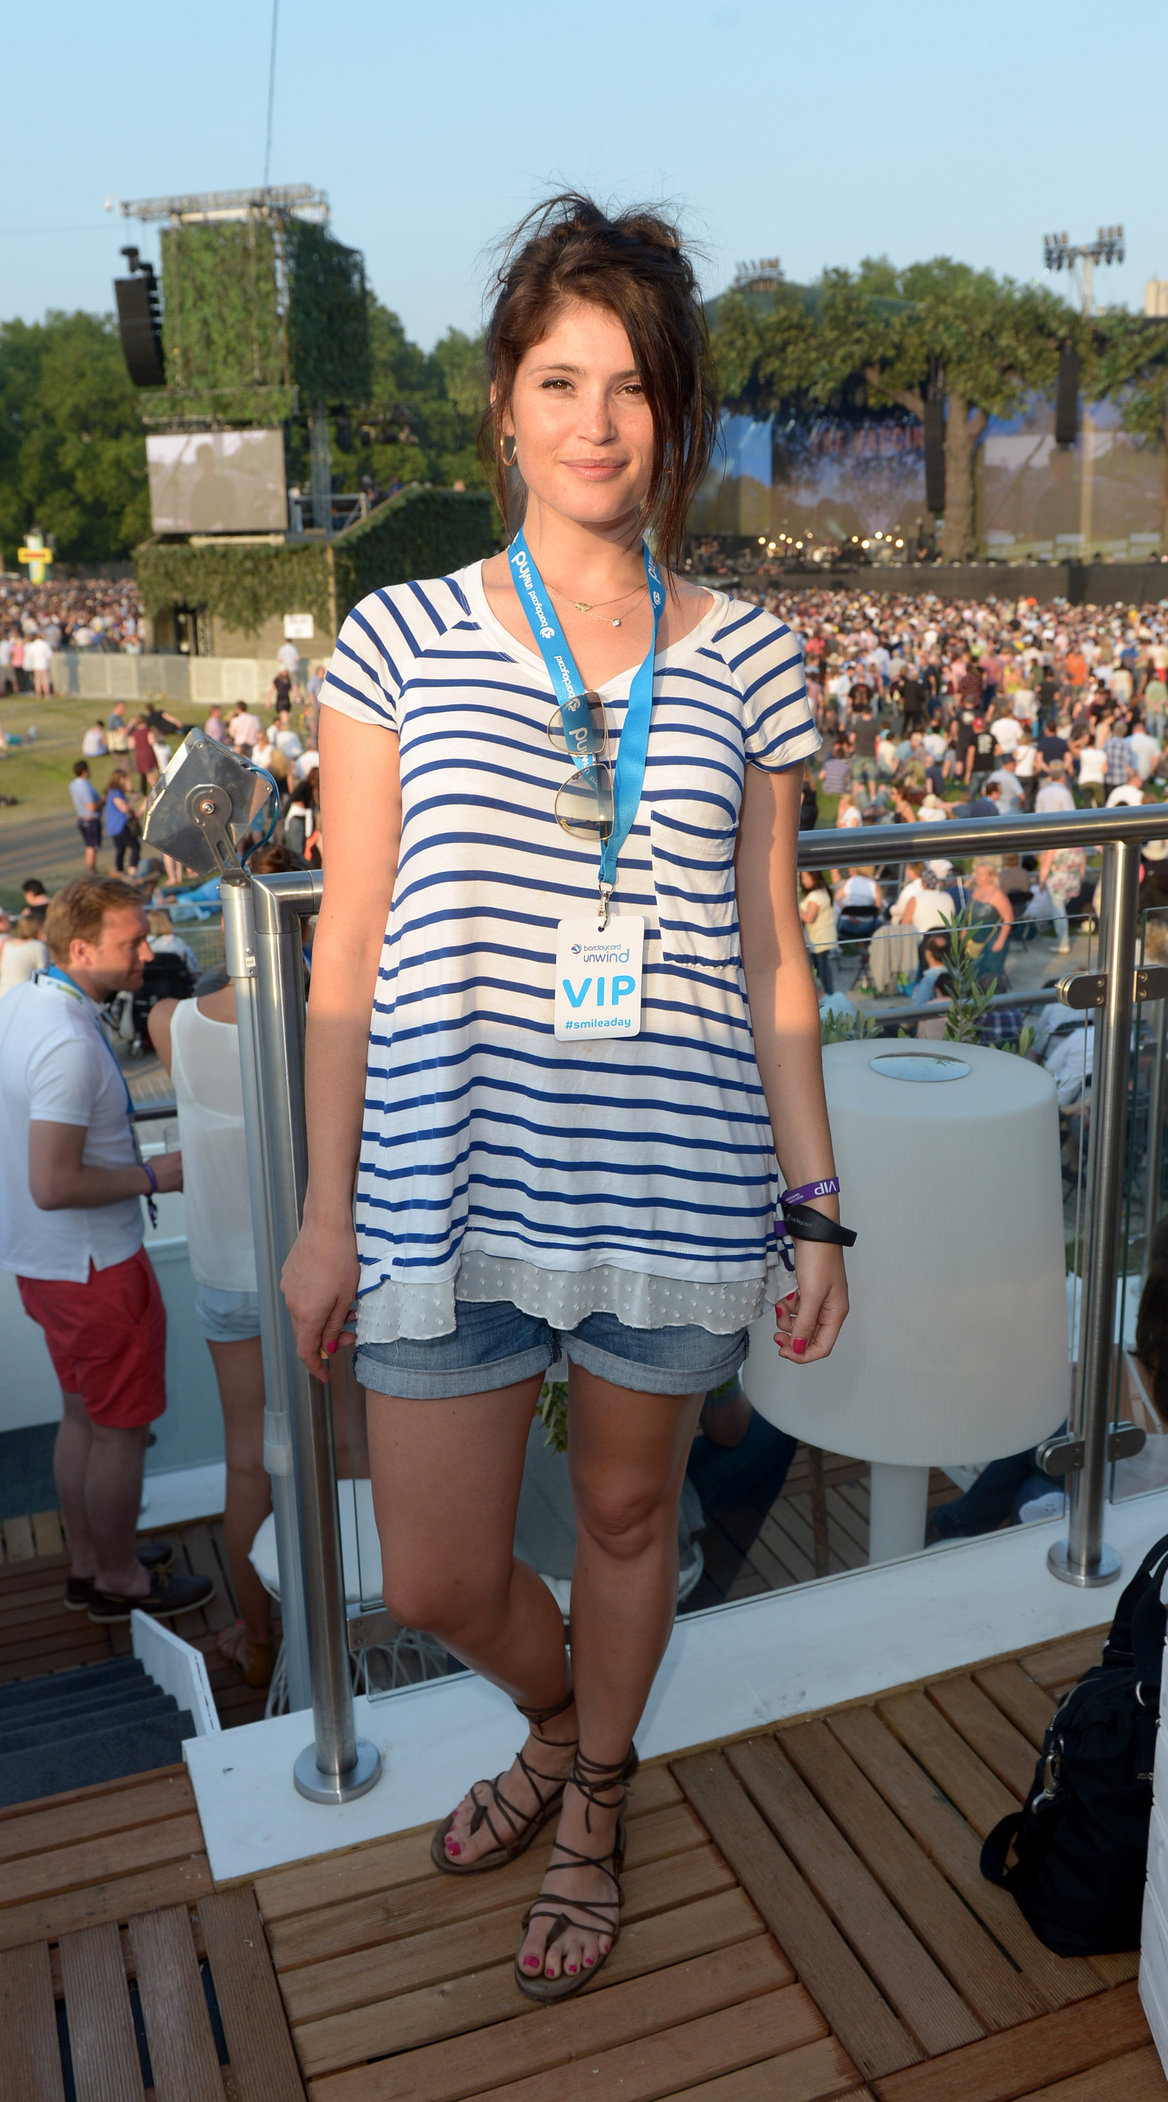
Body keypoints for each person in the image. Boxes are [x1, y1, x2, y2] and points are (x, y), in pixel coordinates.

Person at [279, 193, 850, 2001]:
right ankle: (551, 1721)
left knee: (623, 1522)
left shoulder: (747, 651)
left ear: (670, 417)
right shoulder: (395, 639)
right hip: (442, 1185)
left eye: (632, 387)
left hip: (678, 1178)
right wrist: (321, 1208)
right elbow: (344, 950)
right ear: (503, 407)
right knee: (437, 1571)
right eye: (560, 377)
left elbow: (771, 954)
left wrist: (813, 1200)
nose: (597, 420)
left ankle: (592, 1791)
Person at [0, 877, 212, 1622]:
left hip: (43, 1263)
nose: (146, 953)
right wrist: (159, 1174)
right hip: (93, 1267)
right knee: (120, 1434)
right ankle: (119, 1578)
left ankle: (90, 1560)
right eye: (132, 941)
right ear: (80, 948)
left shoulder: (22, 1003)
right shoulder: (65, 1038)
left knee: (81, 1419)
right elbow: (55, 1181)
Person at [148, 981, 274, 1687]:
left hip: (229, 1275)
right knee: (348, 1447)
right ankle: (362, 1624)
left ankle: (256, 1639)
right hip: (319, 1271)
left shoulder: (173, 1021)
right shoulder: (330, 1013)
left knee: (248, 1462)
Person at [799, 869, 837, 991]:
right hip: (826, 936)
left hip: (817, 938)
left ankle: (825, 996)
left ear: (814, 877)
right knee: (825, 968)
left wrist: (795, 909)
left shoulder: (815, 896)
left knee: (820, 971)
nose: (803, 881)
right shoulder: (824, 892)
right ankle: (829, 993)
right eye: (802, 878)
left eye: (806, 877)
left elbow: (809, 918)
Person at [0, 913, 49, 997]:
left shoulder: (8, 944)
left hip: (3, 995)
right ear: (38, 929)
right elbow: (43, 975)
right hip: (22, 996)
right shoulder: (38, 946)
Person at [103, 768, 140, 875]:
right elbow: (124, 808)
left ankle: (120, 871)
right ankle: (132, 870)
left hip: (113, 827)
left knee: (121, 849)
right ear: (120, 779)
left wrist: (129, 789)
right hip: (119, 825)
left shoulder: (114, 792)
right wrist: (134, 799)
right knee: (135, 846)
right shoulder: (115, 793)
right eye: (125, 779)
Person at [69, 760, 103, 872]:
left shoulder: (73, 785)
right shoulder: (85, 787)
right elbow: (91, 807)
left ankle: (91, 869)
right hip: (90, 820)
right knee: (91, 847)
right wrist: (103, 800)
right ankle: (91, 870)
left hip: (81, 819)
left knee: (89, 845)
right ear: (84, 771)